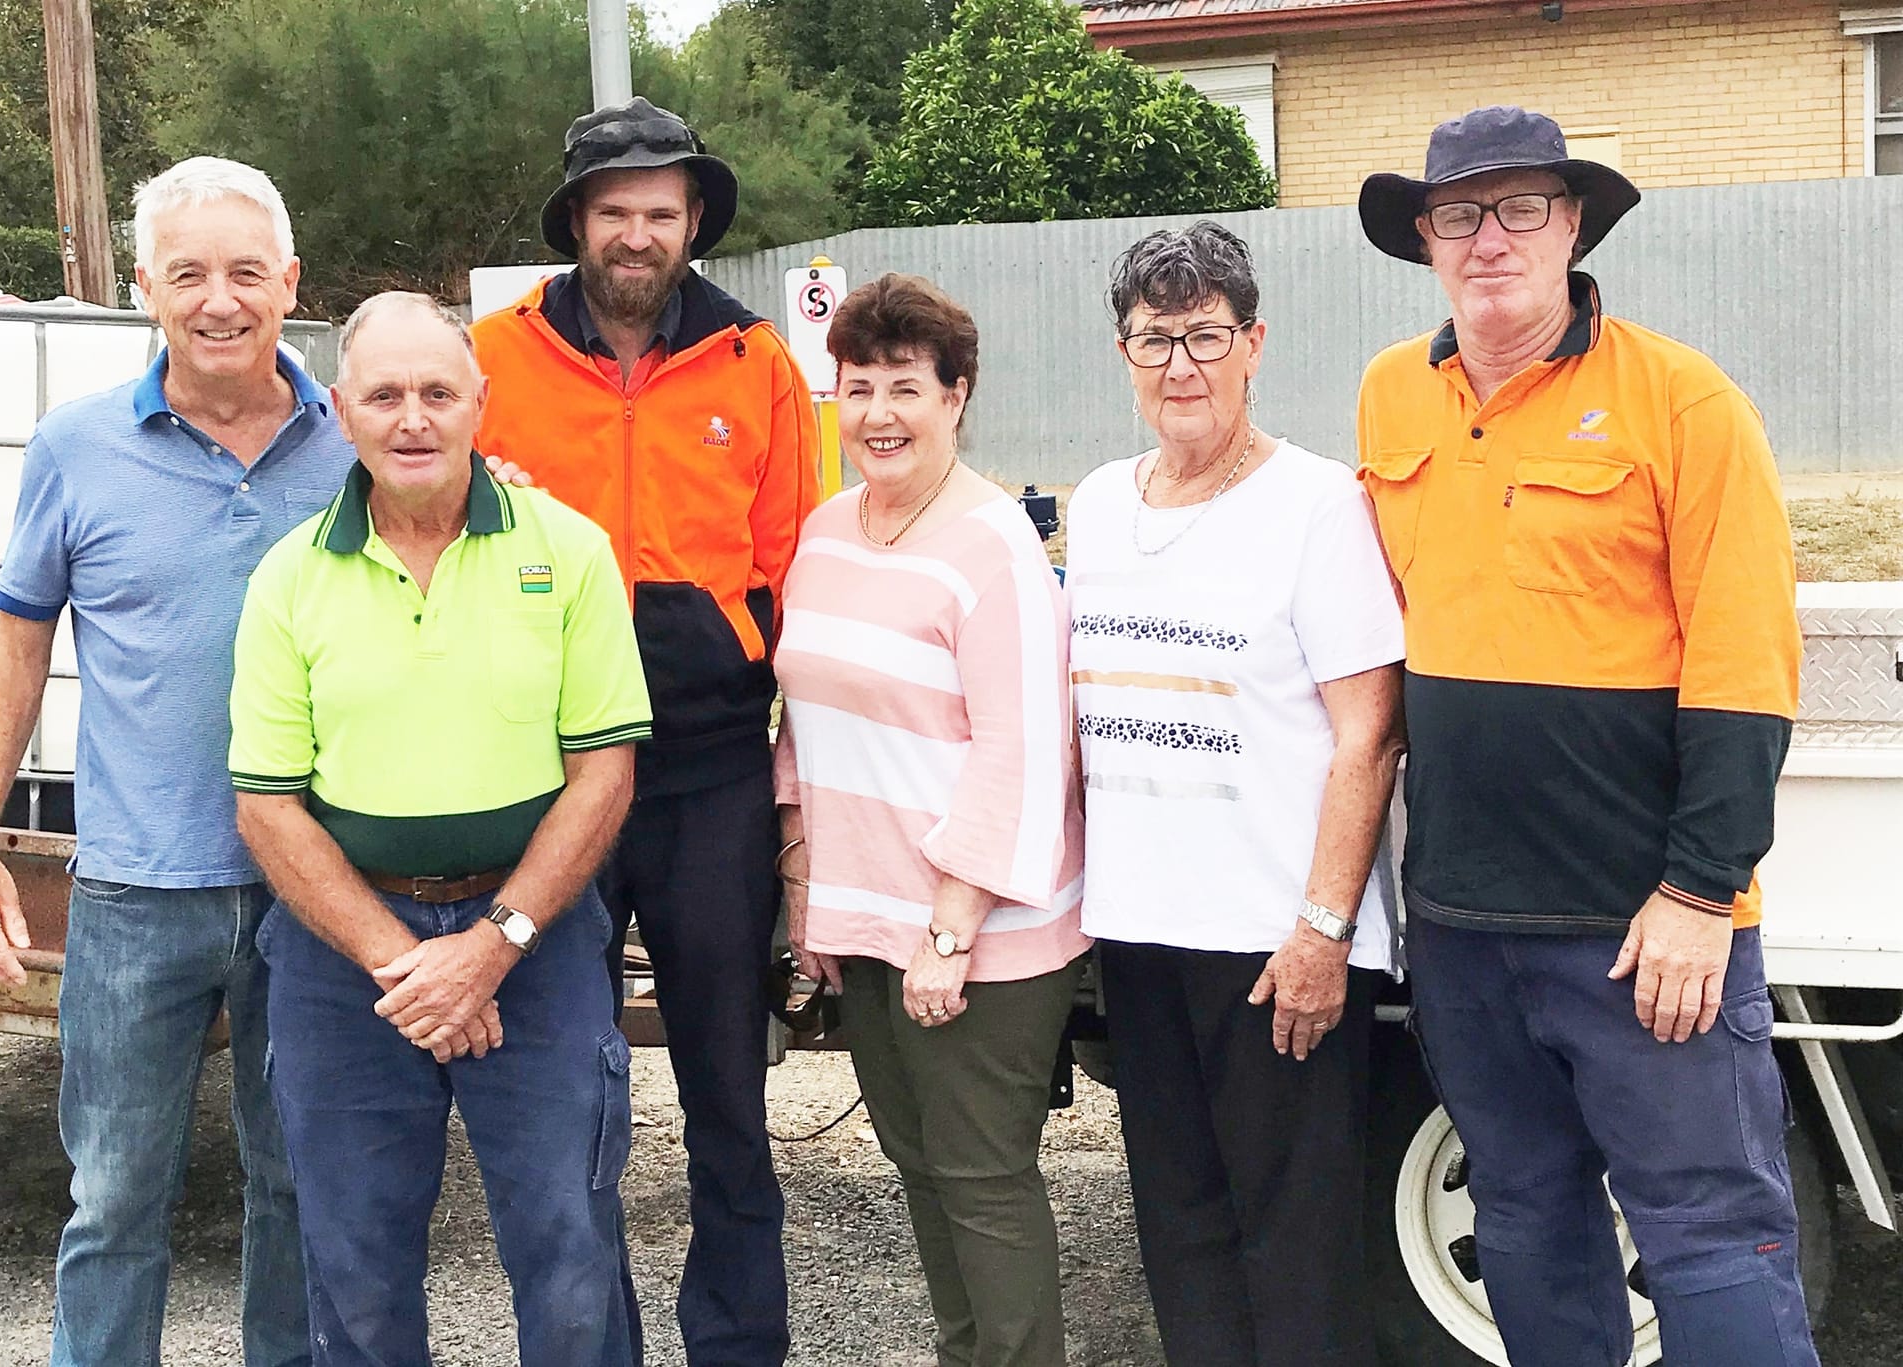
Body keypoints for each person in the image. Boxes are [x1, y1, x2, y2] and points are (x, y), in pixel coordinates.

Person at [1355, 105, 1815, 1366]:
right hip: (1459, 923)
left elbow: (1744, 663)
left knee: (1710, 1233)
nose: (1487, 236)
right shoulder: (1392, 395)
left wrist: (1694, 889)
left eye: (1518, 207)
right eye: (1459, 212)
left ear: (1569, 224)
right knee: (1522, 1218)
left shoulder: (1682, 399)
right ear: (1424, 239)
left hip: (1640, 927)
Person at [0, 156, 336, 1367]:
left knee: (300, 1191)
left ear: (289, 282)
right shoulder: (75, 448)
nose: (219, 299)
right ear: (147, 294)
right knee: (113, 1203)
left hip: (316, 891)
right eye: (187, 274)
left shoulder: (361, 442)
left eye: (245, 271)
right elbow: (13, 649)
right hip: (132, 891)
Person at [228, 292, 651, 1367]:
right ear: (341, 409)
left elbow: (603, 770)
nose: (411, 417)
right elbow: (267, 803)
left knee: (567, 1253)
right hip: (346, 963)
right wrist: (410, 964)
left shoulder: (570, 550)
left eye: (436, 392)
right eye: (383, 394)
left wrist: (492, 943)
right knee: (355, 1268)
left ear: (480, 404)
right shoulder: (288, 580)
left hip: (537, 943)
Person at [470, 96, 819, 1365]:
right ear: (576, 221)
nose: (636, 233)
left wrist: (798, 807)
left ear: (691, 224)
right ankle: (586, 1343)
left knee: (726, 1088)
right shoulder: (491, 359)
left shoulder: (756, 364)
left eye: (659, 212)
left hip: (710, 776)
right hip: (550, 774)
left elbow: (794, 573)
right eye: (613, 211)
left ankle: (739, 1343)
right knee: (567, 1094)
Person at [1066, 222, 1405, 1367]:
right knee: (1180, 1228)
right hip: (1139, 930)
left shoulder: (1316, 505)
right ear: (1122, 351)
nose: (1180, 365)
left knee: (1295, 1239)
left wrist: (1321, 928)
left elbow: (1368, 732)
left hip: (1272, 946)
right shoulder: (1100, 504)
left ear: (1252, 343)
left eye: (1204, 335)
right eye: (1153, 338)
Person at [773, 274, 1089, 1367]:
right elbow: (802, 718)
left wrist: (949, 928)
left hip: (976, 935)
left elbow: (1023, 744)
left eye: (906, 386)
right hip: (866, 926)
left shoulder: (991, 543)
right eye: (858, 387)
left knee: (982, 1179)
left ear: (956, 396)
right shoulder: (824, 530)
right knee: (919, 1170)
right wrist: (805, 876)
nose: (878, 413)